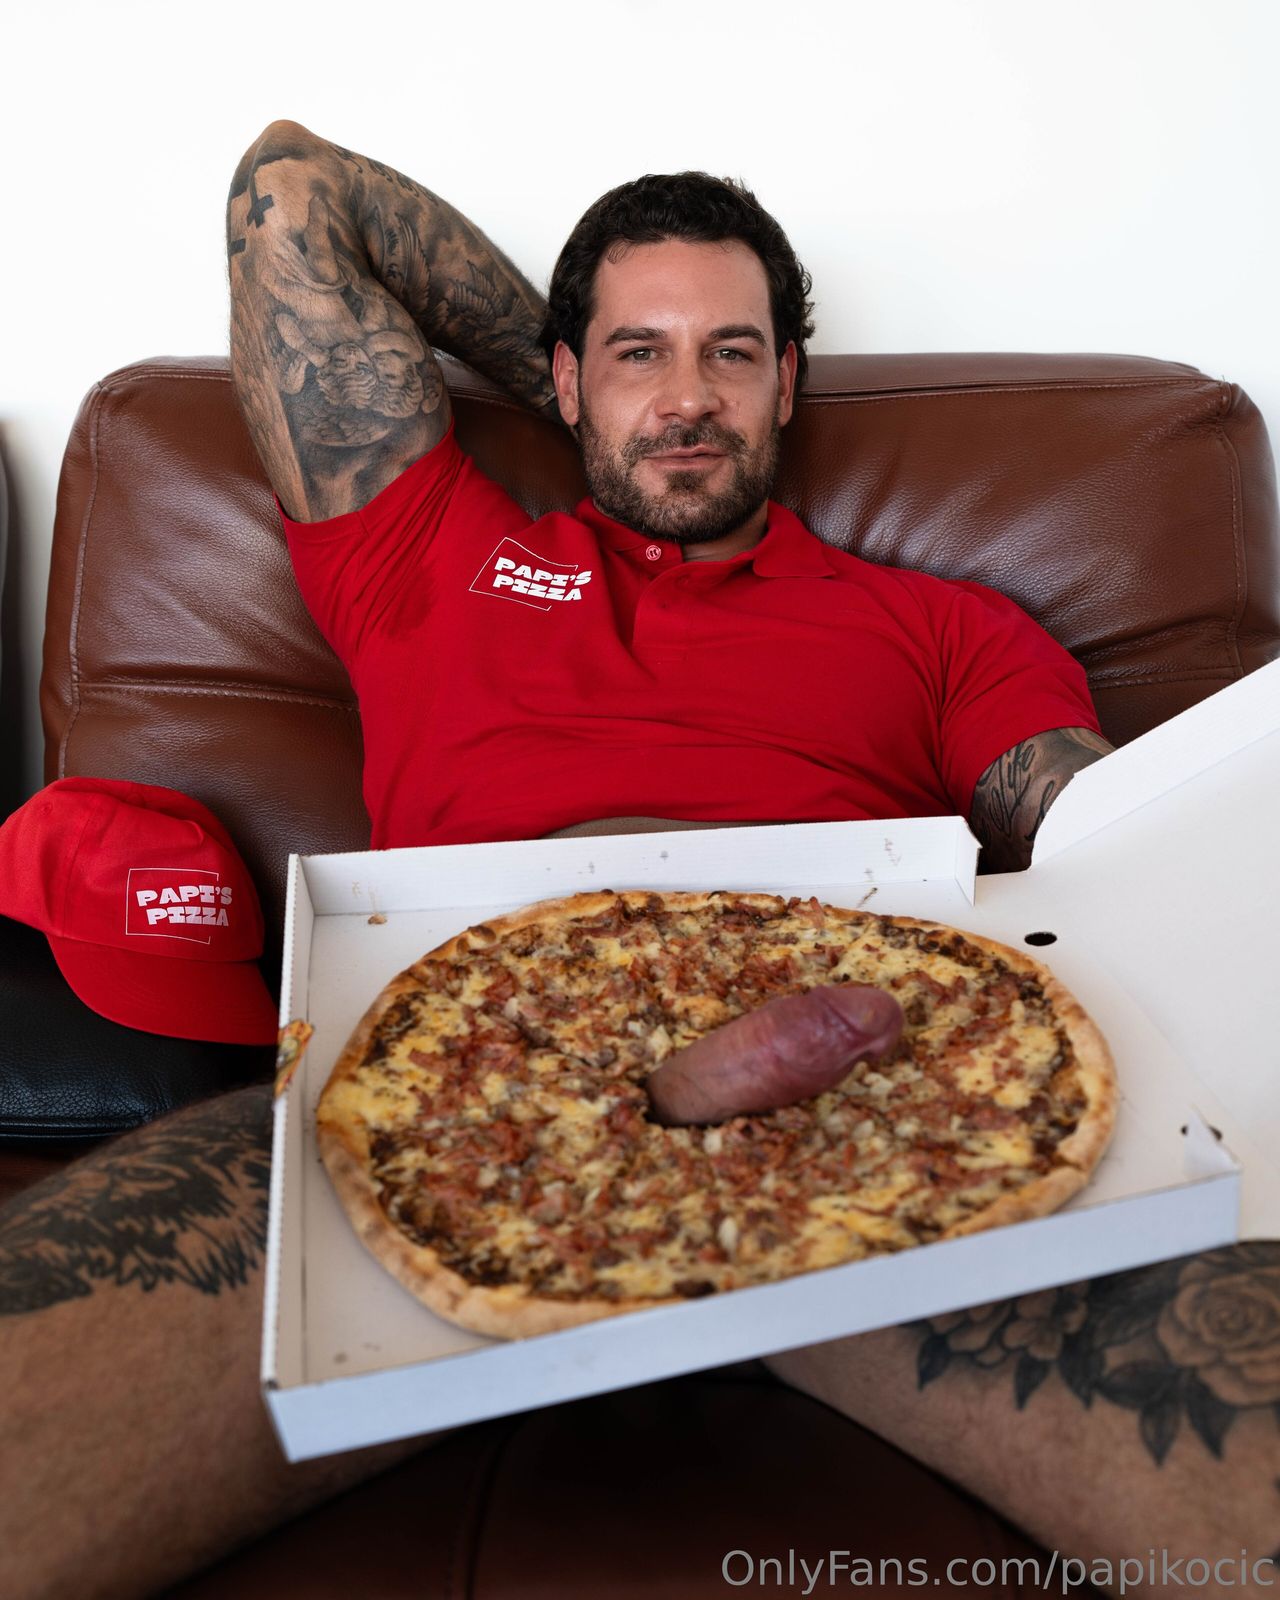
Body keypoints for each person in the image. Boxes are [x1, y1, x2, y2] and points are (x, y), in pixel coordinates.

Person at [0, 121, 1275, 1600]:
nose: (686, 400)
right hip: (441, 1090)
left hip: (865, 1117)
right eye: (636, 355)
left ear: (788, 382)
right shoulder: (429, 553)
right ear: (561, 380)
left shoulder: (944, 629)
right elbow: (292, 194)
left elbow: (1105, 840)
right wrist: (560, 358)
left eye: (730, 354)